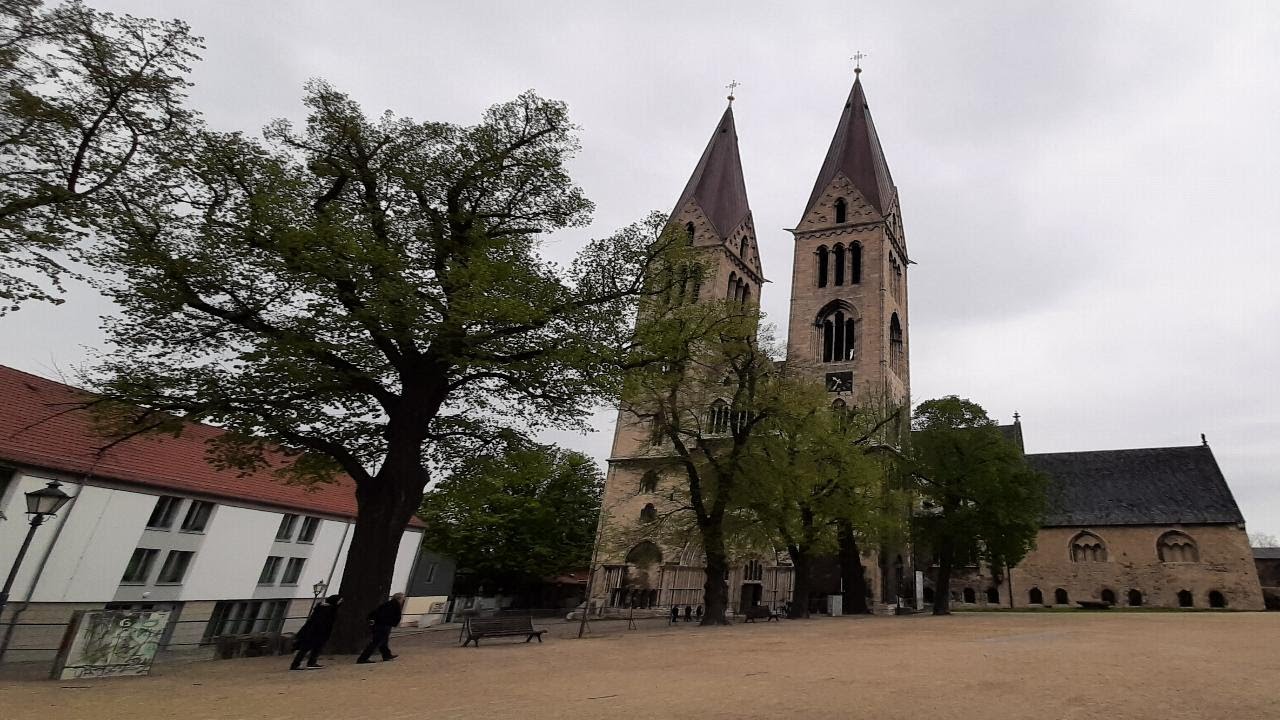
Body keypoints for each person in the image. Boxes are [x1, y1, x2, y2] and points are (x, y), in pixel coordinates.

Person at [291, 594, 342, 670]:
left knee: (315, 648)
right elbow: (322, 622)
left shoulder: (323, 608)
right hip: (316, 631)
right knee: (307, 648)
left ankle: (310, 662)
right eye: (339, 601)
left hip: (314, 631)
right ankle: (297, 664)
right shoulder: (329, 610)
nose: (340, 602)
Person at [357, 592, 404, 664]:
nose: (402, 601)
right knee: (376, 642)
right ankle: (363, 658)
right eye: (402, 599)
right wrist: (393, 623)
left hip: (380, 624)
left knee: (383, 641)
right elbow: (397, 616)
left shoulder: (387, 604)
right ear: (399, 599)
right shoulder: (395, 605)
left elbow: (375, 612)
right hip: (384, 625)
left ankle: (386, 655)